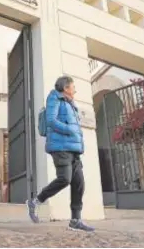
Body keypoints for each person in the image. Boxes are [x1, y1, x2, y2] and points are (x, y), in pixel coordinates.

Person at [26, 76, 94, 232]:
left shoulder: (70, 103)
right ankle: (35, 201)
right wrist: (70, 130)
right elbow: (51, 121)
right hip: (60, 147)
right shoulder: (54, 98)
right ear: (65, 88)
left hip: (73, 149)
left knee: (79, 183)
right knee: (65, 178)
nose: (75, 89)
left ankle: (75, 221)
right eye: (73, 86)